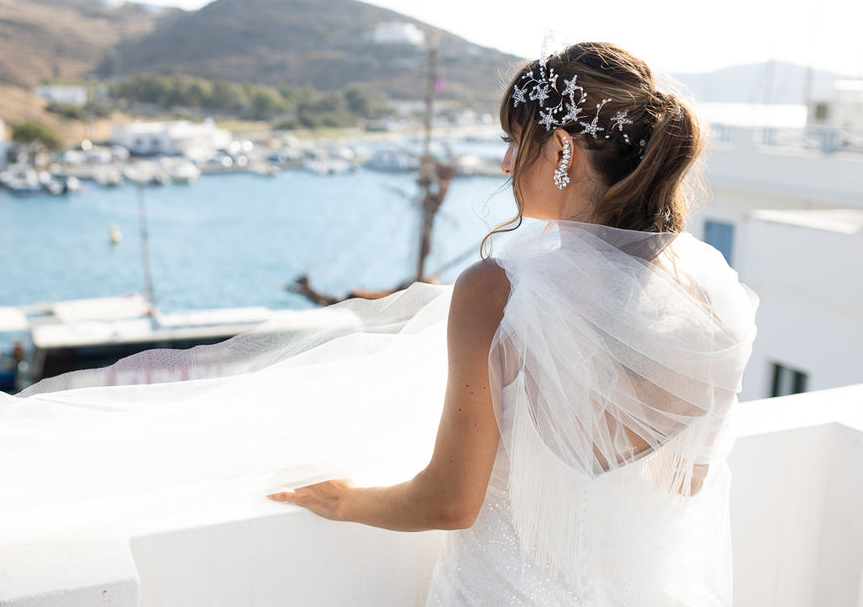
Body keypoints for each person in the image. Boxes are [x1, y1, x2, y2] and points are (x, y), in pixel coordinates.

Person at [269, 42, 759, 605]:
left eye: (513, 142)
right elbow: (686, 481)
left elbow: (450, 502)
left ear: (559, 148)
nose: (505, 164)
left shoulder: (497, 291)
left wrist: (341, 501)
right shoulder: (715, 298)